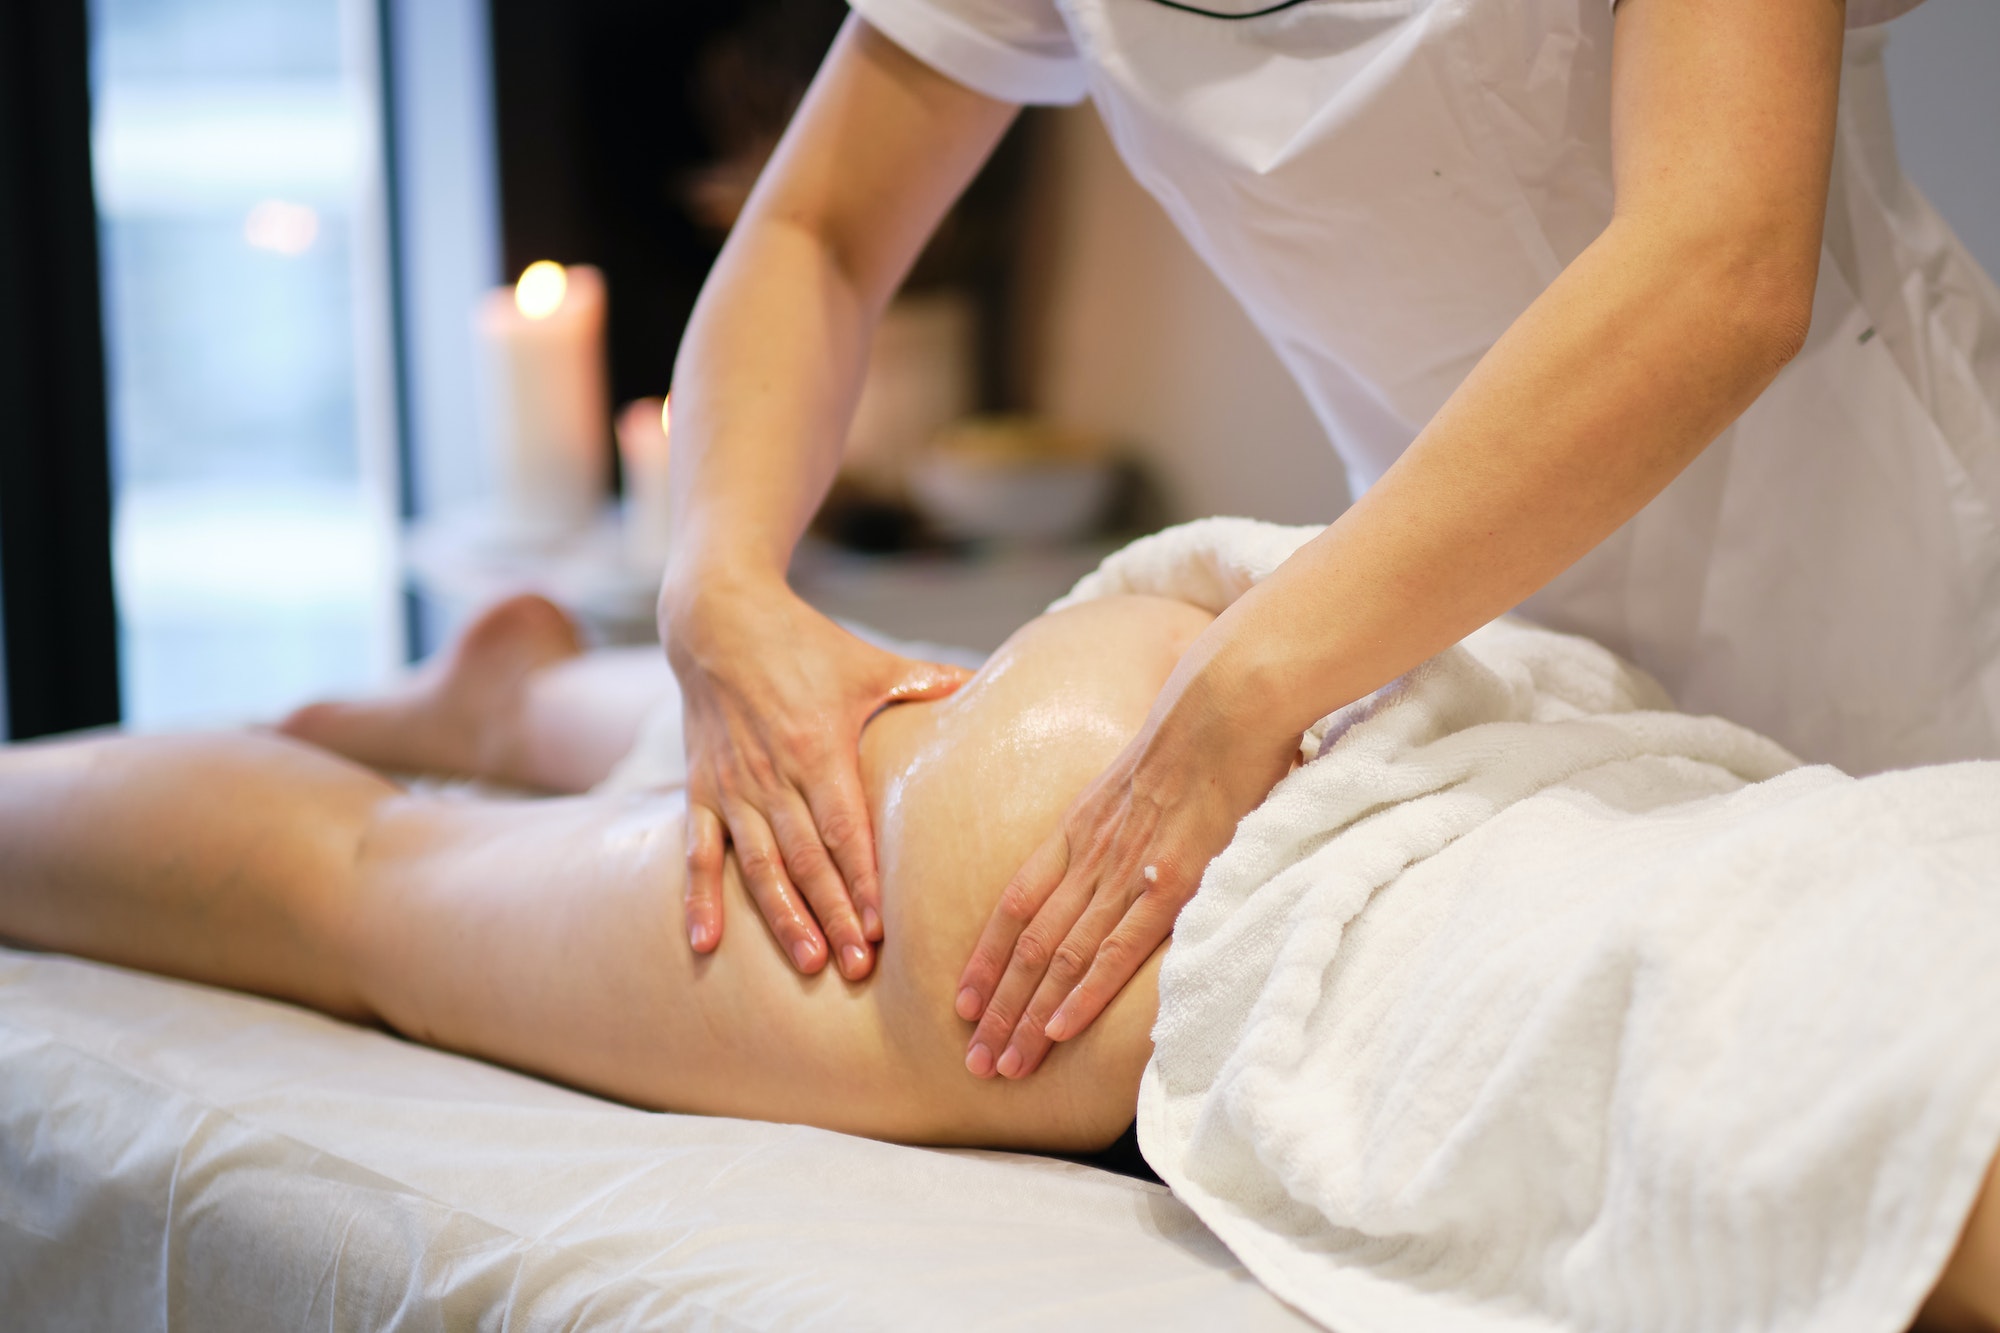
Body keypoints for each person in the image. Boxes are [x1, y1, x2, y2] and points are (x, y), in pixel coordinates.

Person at [1, 590, 1997, 1328]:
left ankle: (509, 688)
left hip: (1415, 686)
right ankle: (497, 710)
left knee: (484, 835)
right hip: (1139, 888)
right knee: (365, 890)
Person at [657, 0, 2000, 1084]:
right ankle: (524, 700)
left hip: (1869, 614)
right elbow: (817, 233)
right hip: (1456, 646)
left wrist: (1256, 675)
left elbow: (1720, 260)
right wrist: (712, 579)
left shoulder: (1247, 674)